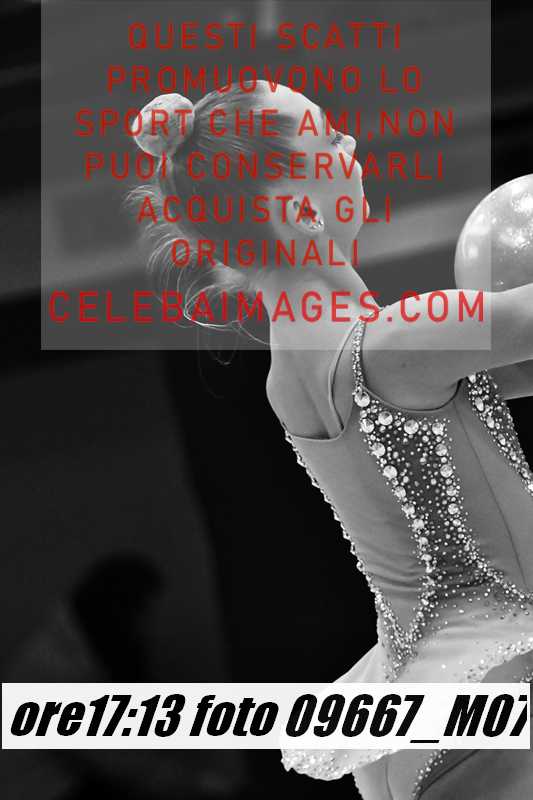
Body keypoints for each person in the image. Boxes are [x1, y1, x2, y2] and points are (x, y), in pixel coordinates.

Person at [130, 82, 533, 799]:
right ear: (297, 208)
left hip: (409, 708)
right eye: (328, 137)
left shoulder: (291, 375)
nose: (351, 146)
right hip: (500, 669)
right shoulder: (398, 342)